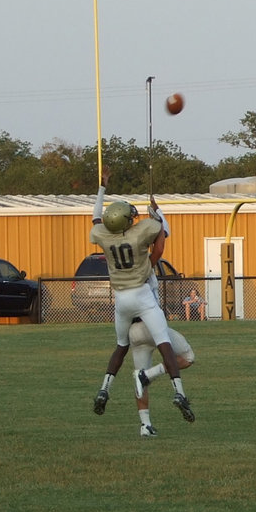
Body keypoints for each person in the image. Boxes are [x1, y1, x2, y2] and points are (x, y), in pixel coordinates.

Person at [89, 169, 193, 424]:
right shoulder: (144, 253)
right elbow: (160, 238)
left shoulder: (104, 237)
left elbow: (95, 220)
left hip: (124, 307)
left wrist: (102, 188)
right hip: (145, 305)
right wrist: (158, 214)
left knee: (122, 347)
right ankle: (178, 392)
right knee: (177, 353)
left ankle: (139, 419)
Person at [128, 319, 196, 437]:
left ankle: (145, 425)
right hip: (154, 326)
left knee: (140, 384)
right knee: (188, 358)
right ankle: (148, 375)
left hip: (134, 331)